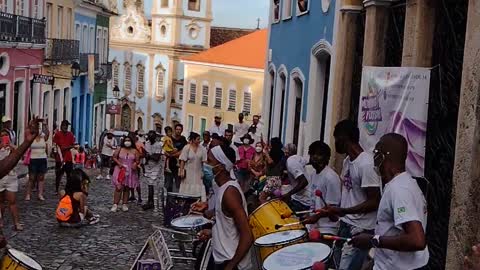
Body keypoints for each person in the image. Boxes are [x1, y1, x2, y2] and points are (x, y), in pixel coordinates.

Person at [349, 133, 429, 270]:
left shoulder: (399, 190)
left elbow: (417, 240)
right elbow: (392, 230)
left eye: (376, 153)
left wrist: (372, 240)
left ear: (383, 157)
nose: (374, 158)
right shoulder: (403, 184)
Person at [328, 120, 381, 270]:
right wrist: (337, 211)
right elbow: (349, 195)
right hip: (345, 224)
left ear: (343, 138)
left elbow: (374, 201)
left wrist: (343, 211)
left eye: (336, 138)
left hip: (360, 229)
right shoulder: (347, 162)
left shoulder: (366, 164)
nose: (335, 142)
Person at [198, 145, 253, 270]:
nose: (206, 164)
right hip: (223, 257)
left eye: (210, 161)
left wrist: (230, 266)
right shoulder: (222, 188)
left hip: (231, 261)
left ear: (221, 167)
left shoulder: (230, 193)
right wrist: (213, 233)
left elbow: (247, 236)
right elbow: (227, 224)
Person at [302, 141, 342, 238]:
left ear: (327, 158)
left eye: (319, 154)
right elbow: (314, 201)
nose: (315, 157)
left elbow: (332, 206)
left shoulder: (331, 177)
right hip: (314, 227)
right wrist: (309, 215)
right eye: (312, 154)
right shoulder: (313, 174)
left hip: (327, 229)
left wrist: (315, 217)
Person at [110, 134, 140, 212]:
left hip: (130, 170)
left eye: (129, 140)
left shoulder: (134, 150)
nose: (127, 142)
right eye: (126, 140)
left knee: (127, 188)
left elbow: (137, 160)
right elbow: (114, 157)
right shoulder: (119, 149)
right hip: (120, 170)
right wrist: (118, 163)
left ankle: (124, 204)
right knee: (118, 187)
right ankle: (115, 204)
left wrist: (135, 164)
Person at [0, 131, 23, 231]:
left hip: (11, 177)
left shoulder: (12, 148)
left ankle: (16, 222)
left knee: (12, 201)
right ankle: (1, 221)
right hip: (1, 178)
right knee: (0, 202)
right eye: (2, 136)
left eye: (6, 135)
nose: (4, 137)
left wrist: (11, 146)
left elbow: (20, 156)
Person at [281, 143, 311, 212]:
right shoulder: (299, 158)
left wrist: (288, 194)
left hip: (301, 200)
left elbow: (304, 181)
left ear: (287, 152)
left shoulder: (291, 161)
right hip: (306, 197)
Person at [179, 132, 208, 201]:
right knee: (187, 185)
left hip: (198, 171)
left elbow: (204, 161)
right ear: (193, 140)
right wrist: (181, 171)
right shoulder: (187, 148)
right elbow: (182, 160)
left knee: (198, 185)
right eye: (198, 139)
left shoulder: (202, 149)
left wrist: (204, 171)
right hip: (188, 172)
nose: (199, 141)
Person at [26, 124, 49, 201]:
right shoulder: (31, 136)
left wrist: (45, 125)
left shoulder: (43, 136)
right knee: (32, 177)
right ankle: (28, 194)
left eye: (39, 128)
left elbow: (47, 134)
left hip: (42, 158)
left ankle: (40, 194)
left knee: (41, 177)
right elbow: (27, 132)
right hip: (33, 159)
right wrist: (32, 124)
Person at [142, 131, 164, 211]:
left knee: (155, 184)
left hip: (156, 166)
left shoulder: (158, 145)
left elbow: (157, 157)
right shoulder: (146, 143)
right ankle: (150, 201)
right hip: (148, 165)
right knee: (149, 184)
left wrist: (149, 155)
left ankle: (156, 203)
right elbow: (144, 154)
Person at [53, 120, 76, 194]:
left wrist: (67, 147)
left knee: (69, 175)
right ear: (61, 126)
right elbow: (55, 145)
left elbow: (73, 145)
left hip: (68, 157)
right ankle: (56, 189)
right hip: (59, 158)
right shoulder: (57, 134)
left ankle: (68, 189)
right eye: (64, 125)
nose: (65, 127)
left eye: (66, 126)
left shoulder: (70, 134)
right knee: (58, 175)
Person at [165, 124, 188, 192]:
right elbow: (166, 150)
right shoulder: (169, 138)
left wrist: (173, 154)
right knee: (168, 184)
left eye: (179, 129)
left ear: (182, 130)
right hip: (169, 165)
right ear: (174, 130)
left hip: (179, 165)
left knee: (179, 183)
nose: (178, 131)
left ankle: (177, 199)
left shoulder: (183, 139)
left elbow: (184, 150)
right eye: (177, 129)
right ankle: (169, 200)